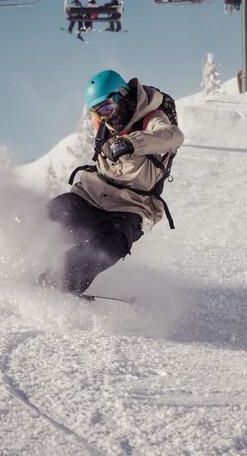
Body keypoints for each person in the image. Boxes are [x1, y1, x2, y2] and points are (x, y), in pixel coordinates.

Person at [46, 70, 183, 298]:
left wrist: (132, 143)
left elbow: (173, 136)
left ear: (122, 96)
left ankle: (57, 285)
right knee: (47, 220)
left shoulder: (152, 117)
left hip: (131, 207)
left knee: (105, 247)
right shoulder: (105, 124)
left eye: (107, 109)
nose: (106, 118)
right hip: (91, 195)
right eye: (98, 113)